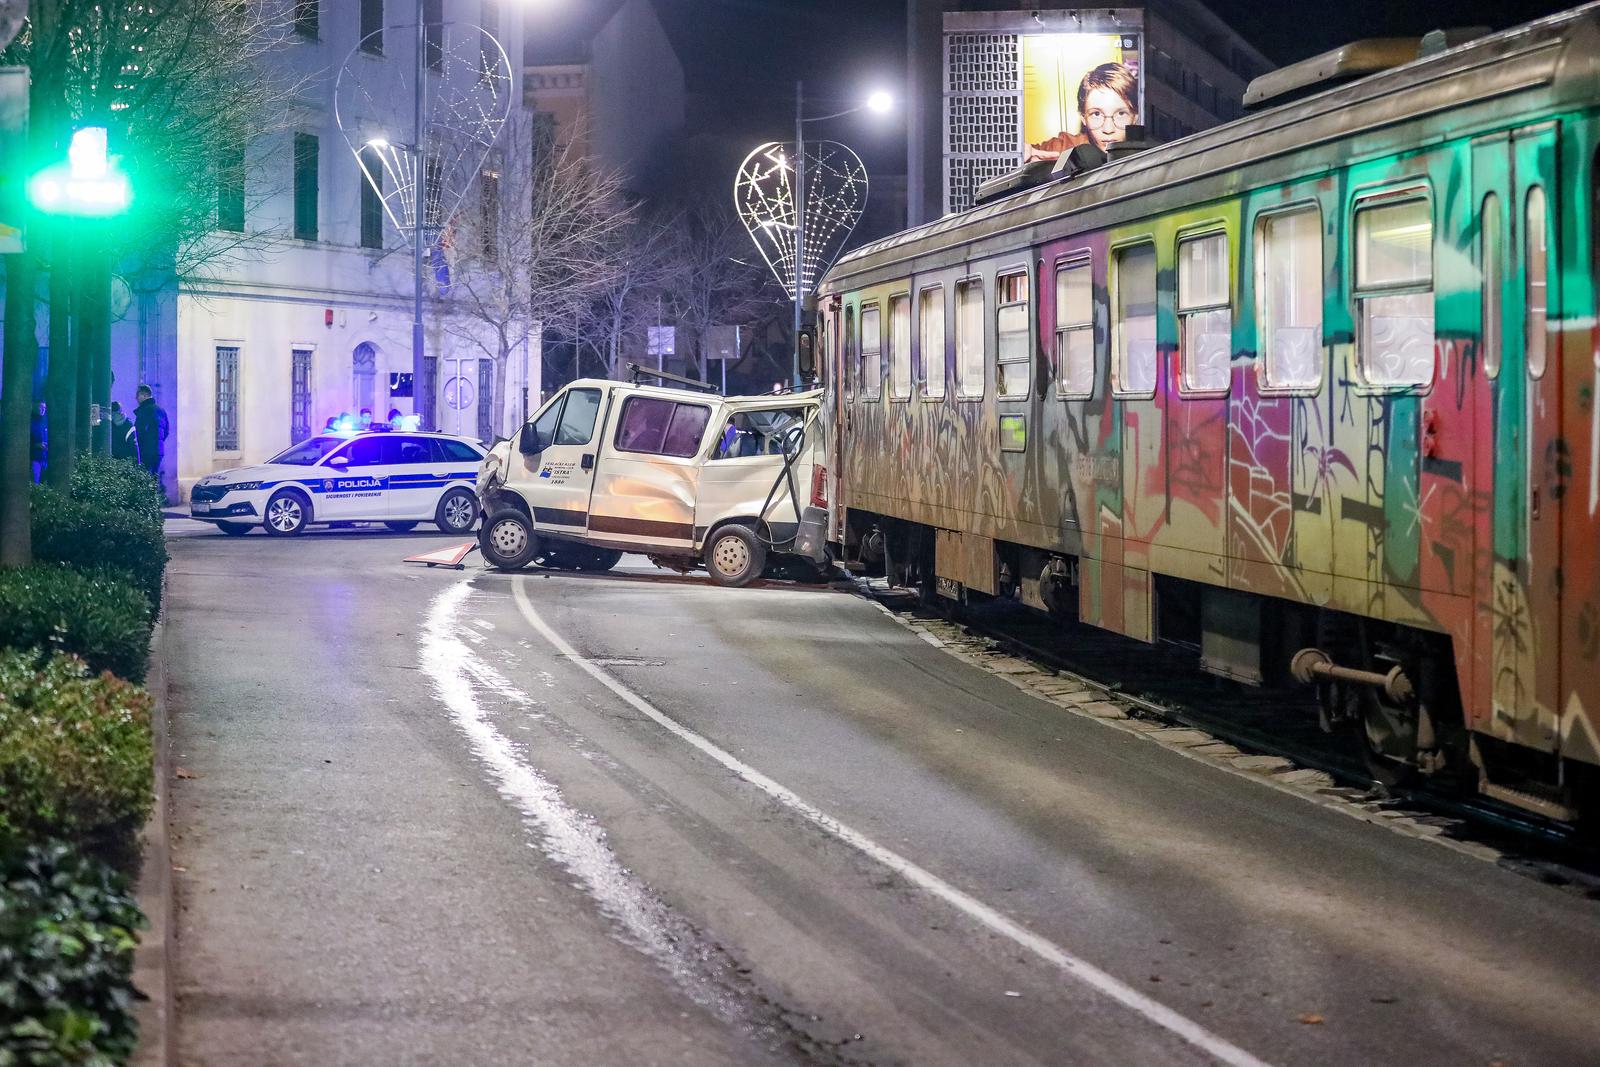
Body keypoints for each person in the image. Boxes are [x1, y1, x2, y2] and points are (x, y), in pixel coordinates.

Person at [1025, 62, 1139, 161]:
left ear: (1135, 117)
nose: (1108, 129)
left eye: (1121, 114)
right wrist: (1019, 156)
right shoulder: (1064, 148)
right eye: (1097, 114)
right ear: (1083, 118)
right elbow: (1027, 152)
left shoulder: (1150, 154)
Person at [132, 384, 170, 490]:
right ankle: (154, 502)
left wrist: (139, 446)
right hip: (159, 451)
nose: (136, 398)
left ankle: (147, 503)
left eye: (138, 395)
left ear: (144, 395)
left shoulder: (144, 411)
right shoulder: (161, 411)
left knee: (144, 478)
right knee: (154, 477)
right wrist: (158, 442)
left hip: (146, 450)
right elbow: (166, 431)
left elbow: (139, 432)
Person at [29, 402, 46, 483]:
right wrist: (36, 445)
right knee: (36, 480)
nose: (43, 409)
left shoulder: (44, 422)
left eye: (44, 408)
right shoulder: (32, 422)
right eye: (41, 407)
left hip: (44, 457)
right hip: (35, 457)